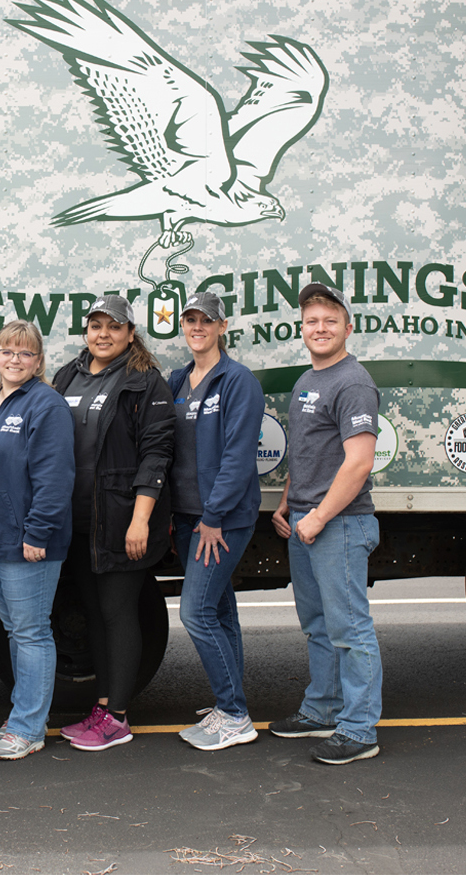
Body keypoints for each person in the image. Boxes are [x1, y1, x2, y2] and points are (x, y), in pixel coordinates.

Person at [51, 295, 174, 752]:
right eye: (96, 325)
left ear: (130, 333)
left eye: (114, 327)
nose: (103, 334)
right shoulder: (69, 374)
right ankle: (102, 706)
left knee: (118, 613)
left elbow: (156, 454)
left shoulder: (145, 382)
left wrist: (141, 519)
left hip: (124, 520)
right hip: (81, 522)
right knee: (96, 616)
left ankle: (117, 716)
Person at [270, 282, 382, 765]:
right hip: (305, 519)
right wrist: (287, 501)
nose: (320, 328)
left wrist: (315, 517)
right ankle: (322, 709)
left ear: (347, 328)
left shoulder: (352, 382)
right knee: (317, 625)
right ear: (303, 329)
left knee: (350, 629)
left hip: (338, 525)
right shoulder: (306, 381)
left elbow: (358, 463)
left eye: (329, 321)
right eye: (312, 321)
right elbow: (309, 451)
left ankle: (359, 730)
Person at [0, 319, 75, 761]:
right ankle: (21, 714)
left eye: (25, 353)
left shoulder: (46, 405)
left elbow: (55, 476)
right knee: (14, 630)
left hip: (26, 543)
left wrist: (38, 532)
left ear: (39, 361)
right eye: (7, 350)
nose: (14, 359)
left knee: (30, 633)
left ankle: (29, 727)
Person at [165, 292, 266, 751]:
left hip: (221, 521)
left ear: (223, 327)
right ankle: (231, 705)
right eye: (190, 319)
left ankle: (234, 714)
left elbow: (238, 456)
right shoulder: (178, 380)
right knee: (220, 610)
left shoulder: (237, 381)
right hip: (188, 518)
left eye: (207, 320)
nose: (197, 326)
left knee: (196, 612)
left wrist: (213, 517)